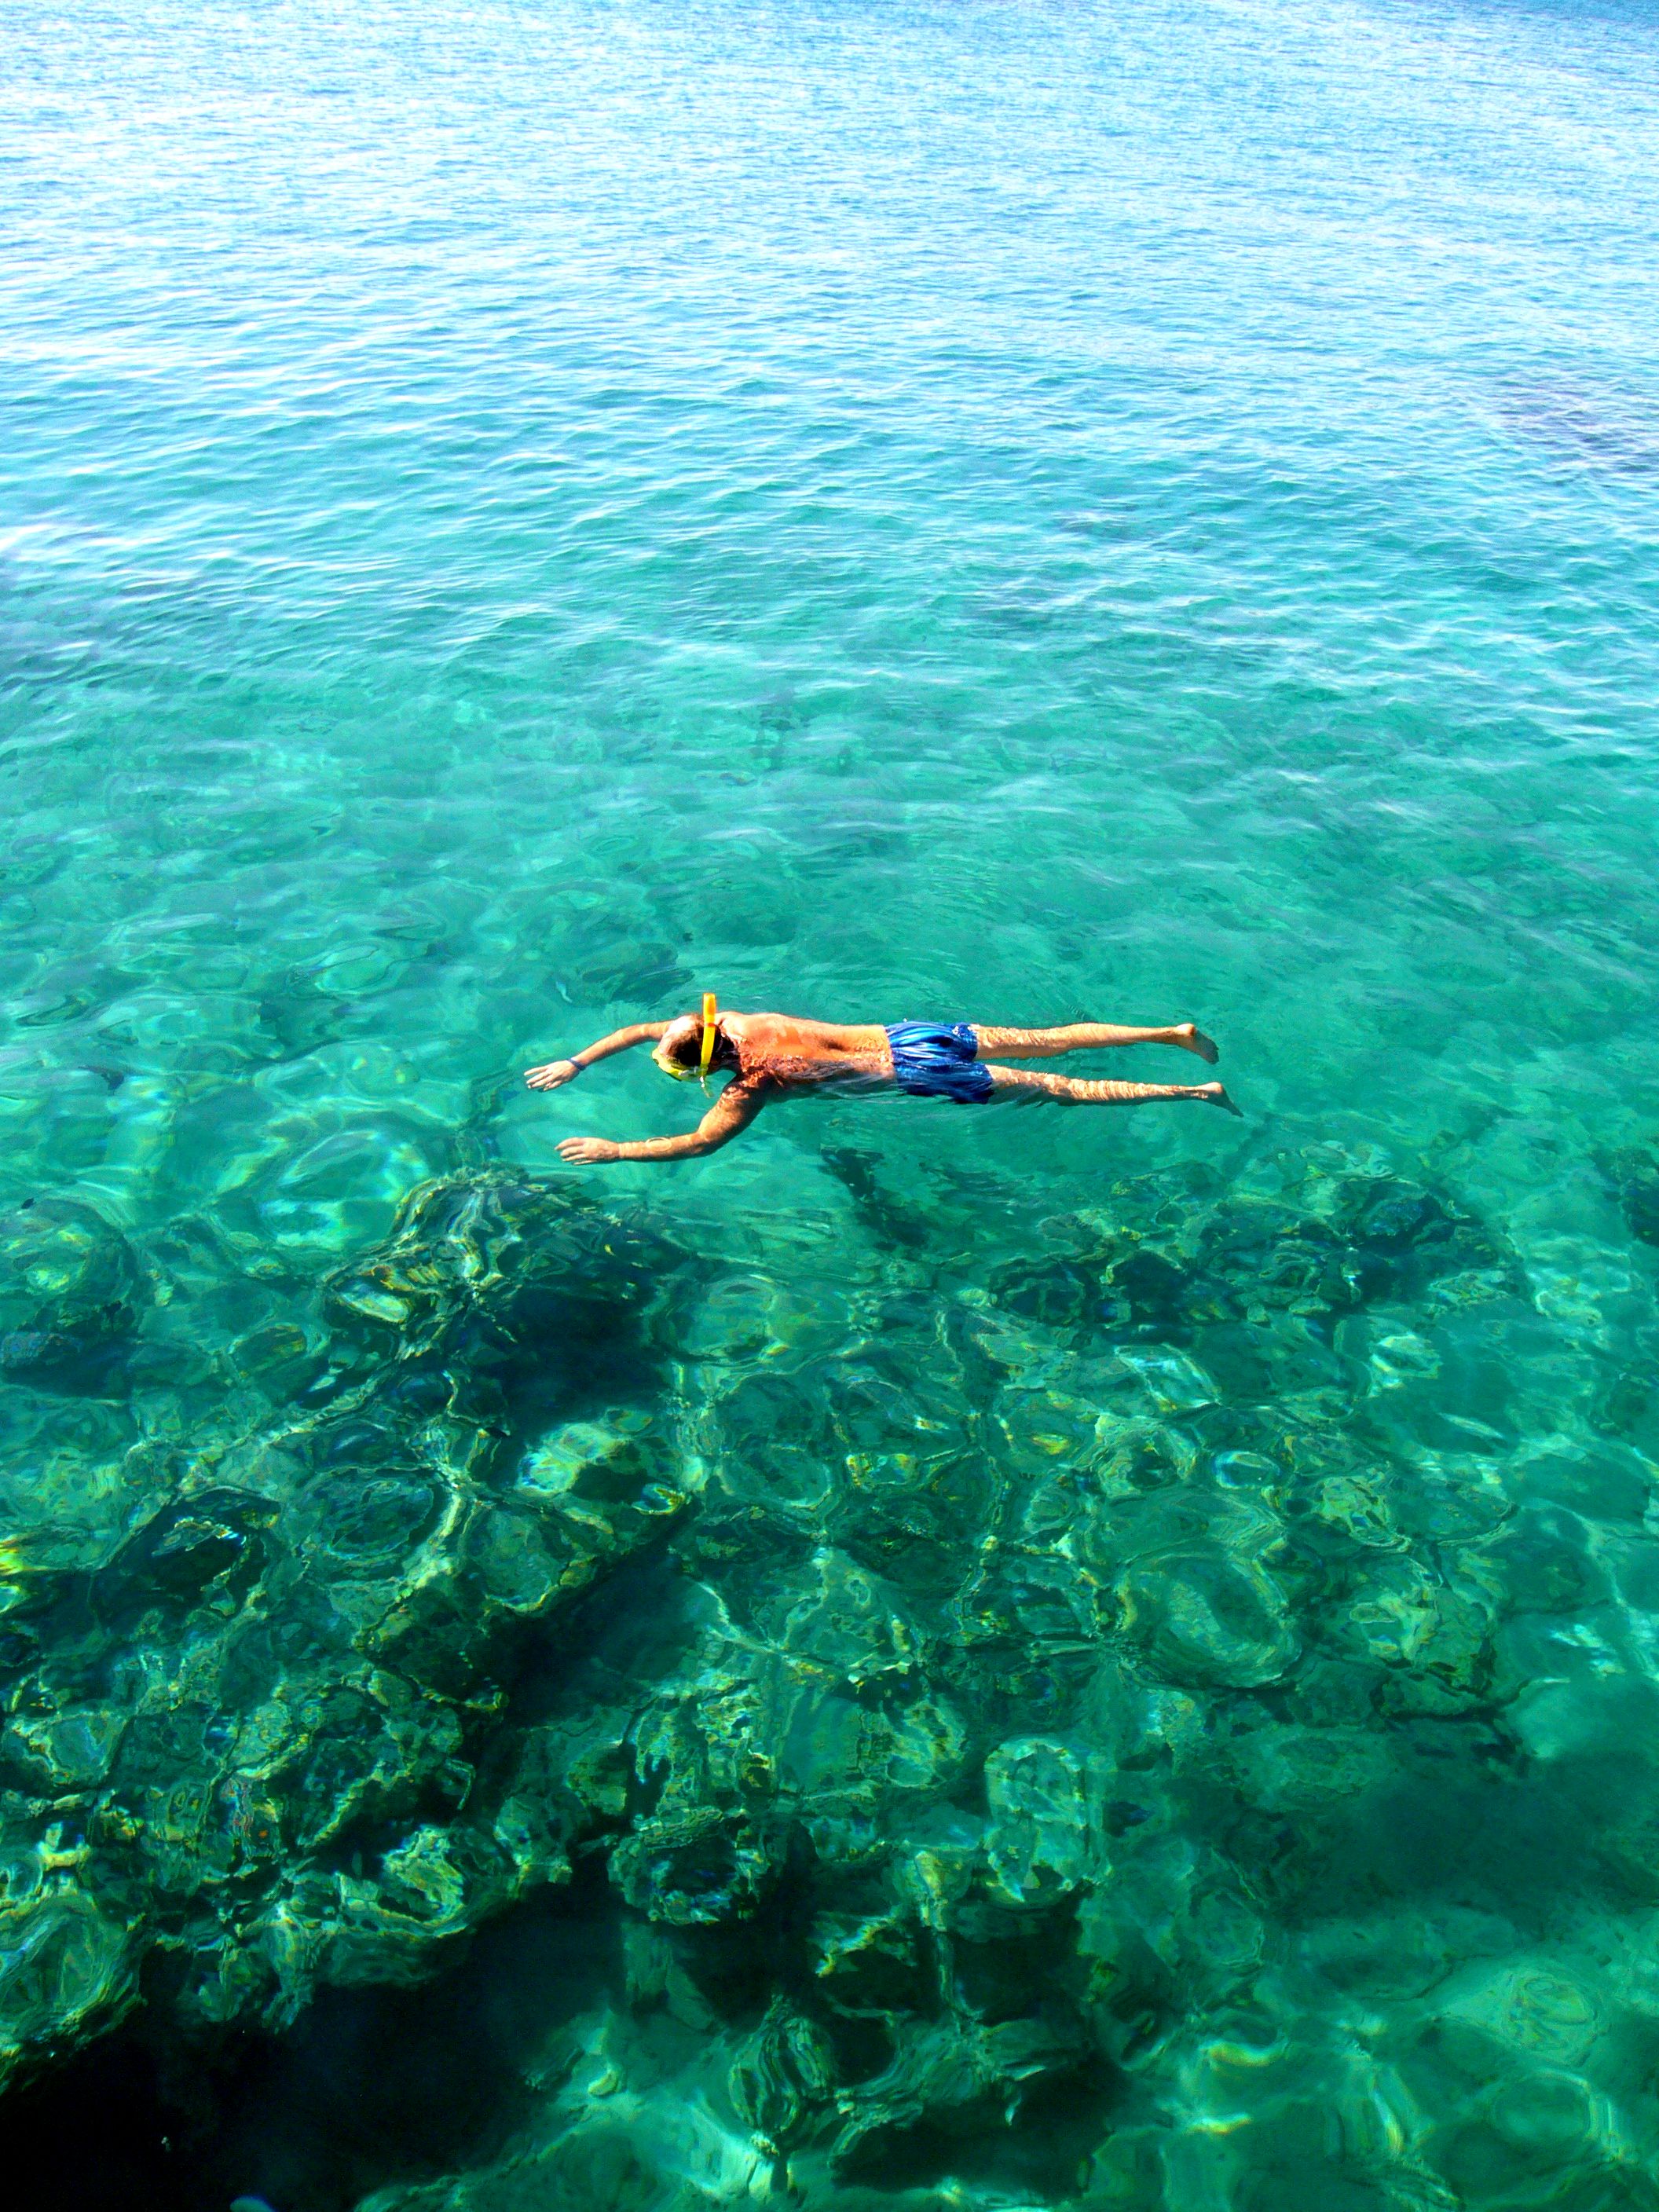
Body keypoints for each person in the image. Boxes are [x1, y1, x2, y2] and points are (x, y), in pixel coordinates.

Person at [524, 997, 1239, 1165]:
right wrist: (580, 1060)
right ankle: (1166, 1033)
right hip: (909, 1036)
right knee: (1051, 1041)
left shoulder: (754, 1085)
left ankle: (1194, 1094)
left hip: (916, 1076)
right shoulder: (729, 1021)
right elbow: (640, 1031)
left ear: (710, 1067)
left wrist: (618, 1150)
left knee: (1058, 1089)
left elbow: (699, 1144)